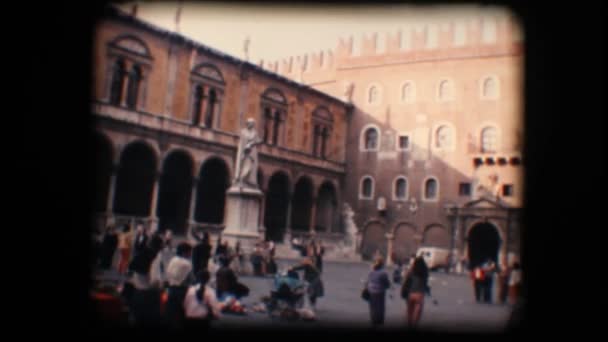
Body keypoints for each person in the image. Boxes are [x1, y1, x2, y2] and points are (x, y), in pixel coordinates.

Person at [164, 242, 194, 329]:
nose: (190, 254)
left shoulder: (173, 259)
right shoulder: (187, 264)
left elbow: (168, 272)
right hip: (181, 290)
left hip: (170, 289)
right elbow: (190, 279)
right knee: (179, 316)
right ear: (185, 252)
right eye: (189, 252)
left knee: (170, 313)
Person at [233, 118, 263, 188]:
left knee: (251, 168)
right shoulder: (243, 132)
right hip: (244, 152)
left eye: (253, 124)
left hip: (252, 152)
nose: (252, 125)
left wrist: (255, 142)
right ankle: (241, 180)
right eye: (250, 123)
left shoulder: (254, 133)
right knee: (244, 166)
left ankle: (249, 182)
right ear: (247, 124)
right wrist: (244, 149)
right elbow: (241, 143)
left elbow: (257, 140)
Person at [404, 256, 430, 328]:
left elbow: (406, 278)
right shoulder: (425, 272)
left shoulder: (412, 271)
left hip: (411, 293)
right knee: (417, 314)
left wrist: (411, 267)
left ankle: (409, 324)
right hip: (419, 294)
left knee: (409, 311)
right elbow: (425, 282)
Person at [365, 256, 391, 327]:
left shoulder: (371, 272)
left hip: (371, 291)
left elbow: (368, 281)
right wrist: (388, 286)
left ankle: (373, 320)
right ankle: (379, 321)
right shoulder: (383, 273)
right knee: (380, 308)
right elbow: (387, 283)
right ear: (382, 264)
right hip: (380, 292)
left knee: (373, 307)